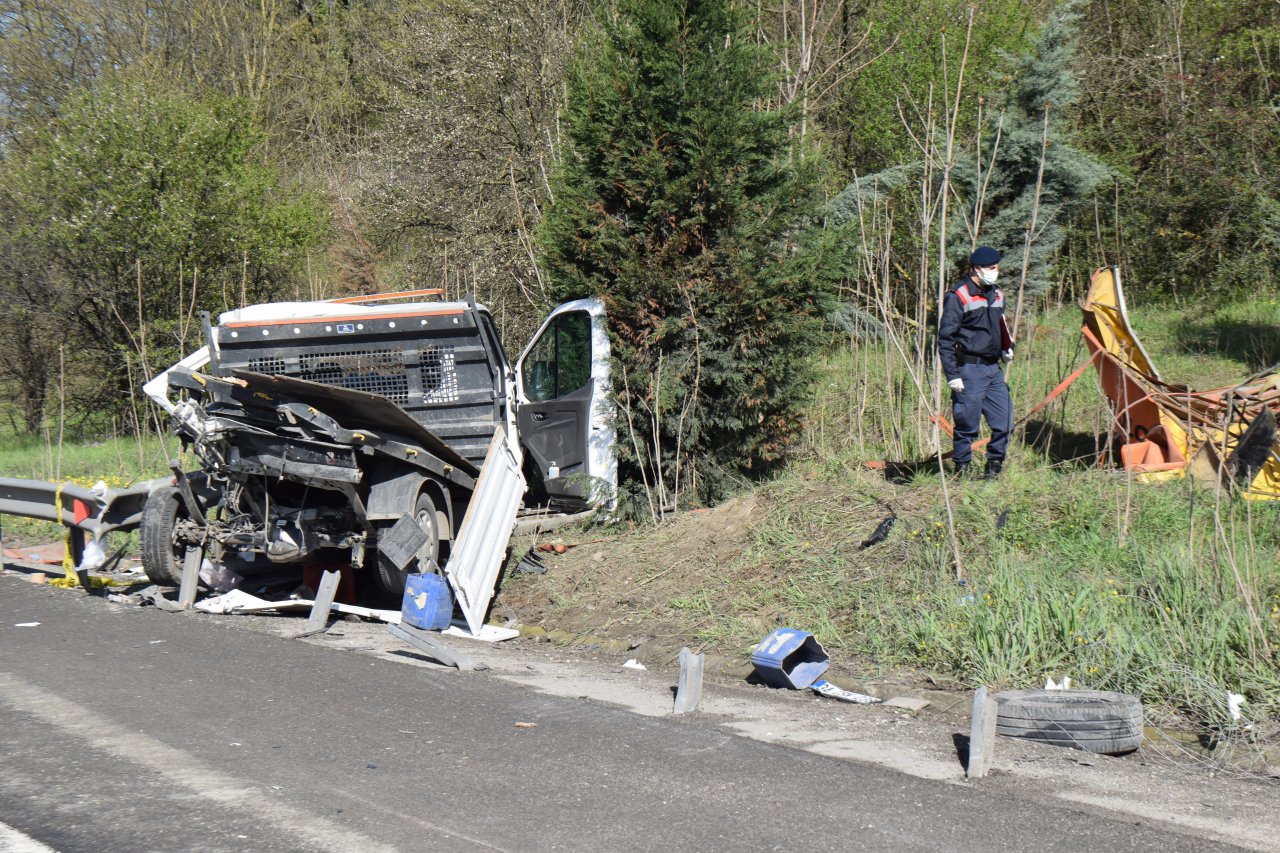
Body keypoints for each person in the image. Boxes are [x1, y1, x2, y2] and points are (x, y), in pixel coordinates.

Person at [938, 245, 1014, 479]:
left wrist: (1007, 347)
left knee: (1005, 422)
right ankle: (962, 472)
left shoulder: (997, 294)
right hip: (969, 369)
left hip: (993, 369)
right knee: (967, 425)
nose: (995, 271)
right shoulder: (958, 295)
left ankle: (994, 467)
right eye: (991, 268)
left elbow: (1000, 325)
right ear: (976, 269)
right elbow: (946, 339)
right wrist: (952, 375)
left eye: (996, 267)